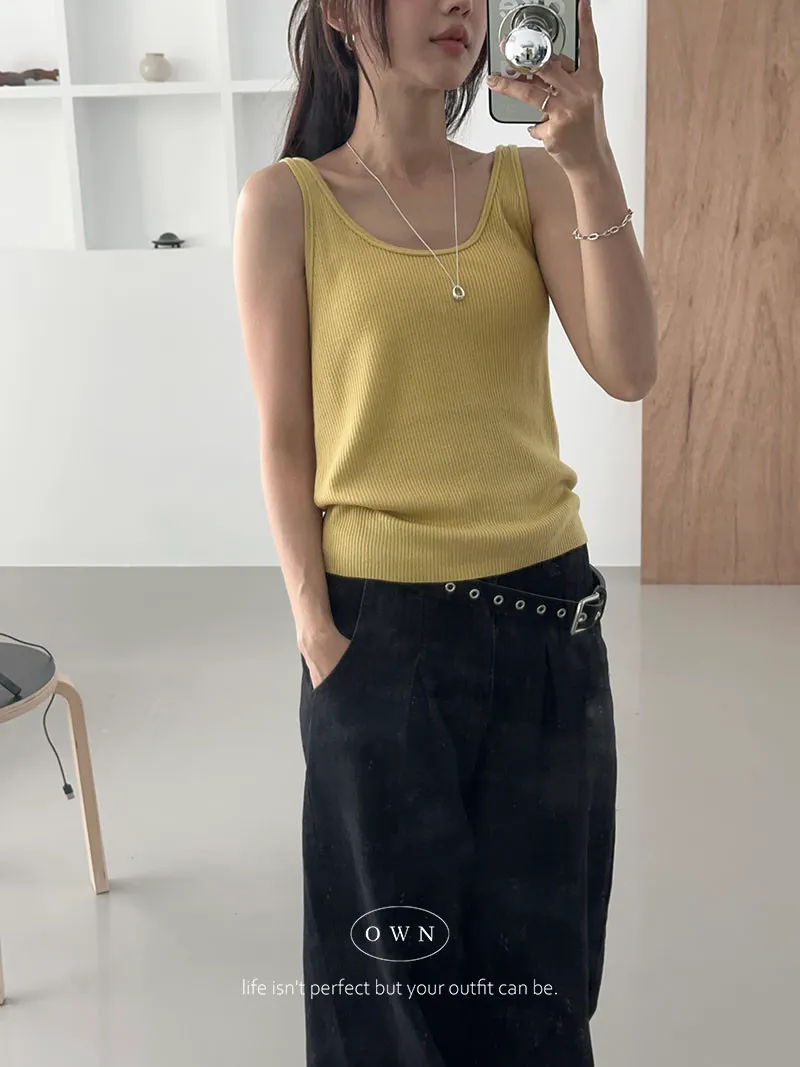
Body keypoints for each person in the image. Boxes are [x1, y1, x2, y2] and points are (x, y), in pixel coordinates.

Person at [233, 1, 654, 1063]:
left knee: (540, 982)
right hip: (380, 632)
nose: (461, 4)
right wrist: (317, 633)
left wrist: (591, 159)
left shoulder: (529, 185)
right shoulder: (286, 202)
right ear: (344, 12)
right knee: (387, 992)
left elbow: (628, 368)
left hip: (548, 619)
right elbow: (283, 437)